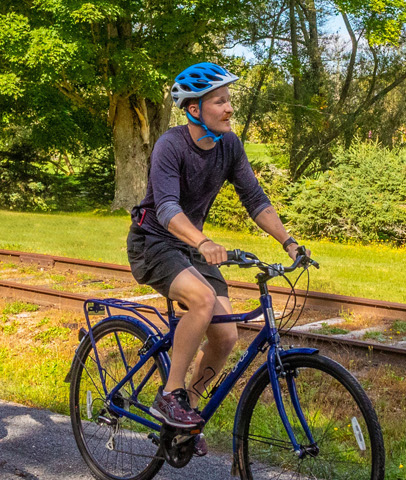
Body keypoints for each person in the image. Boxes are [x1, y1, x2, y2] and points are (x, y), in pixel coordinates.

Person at [126, 62, 309, 449]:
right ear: (194, 110)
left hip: (189, 247)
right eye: (220, 101)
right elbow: (167, 209)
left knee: (225, 335)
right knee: (203, 299)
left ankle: (185, 419)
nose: (229, 109)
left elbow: (255, 199)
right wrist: (204, 242)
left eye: (229, 101)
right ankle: (170, 394)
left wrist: (288, 241)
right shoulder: (170, 146)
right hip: (153, 242)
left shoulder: (230, 146)